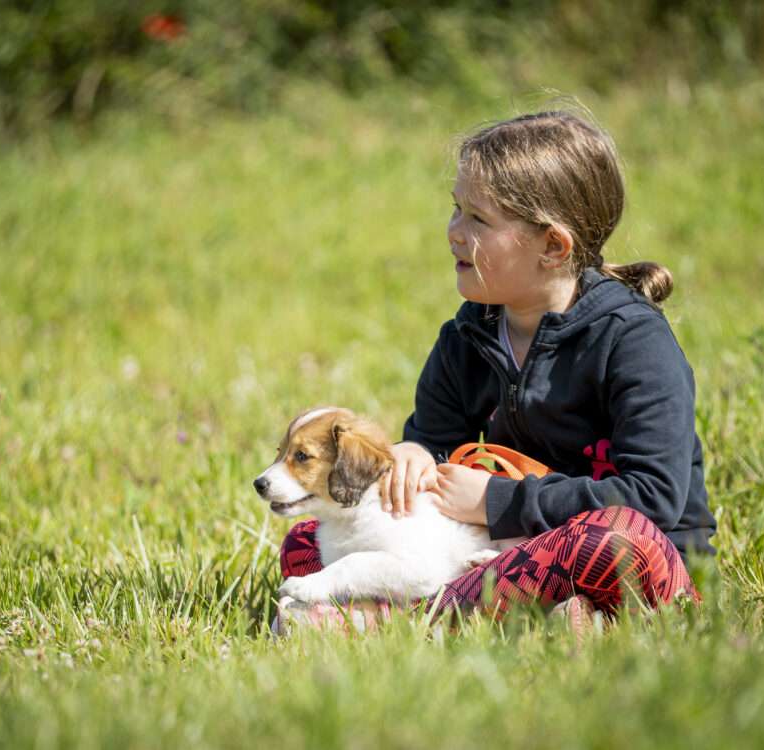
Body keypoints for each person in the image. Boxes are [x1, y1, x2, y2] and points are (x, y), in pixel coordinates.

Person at [276, 110, 716, 632]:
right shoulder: (466, 337)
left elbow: (656, 499)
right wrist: (413, 458)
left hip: (636, 557)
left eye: (478, 219)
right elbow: (431, 447)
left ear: (553, 246)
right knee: (310, 538)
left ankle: (404, 618)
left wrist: (493, 501)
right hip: (490, 552)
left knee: (616, 538)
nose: (454, 233)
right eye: (456, 210)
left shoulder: (634, 341)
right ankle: (528, 616)